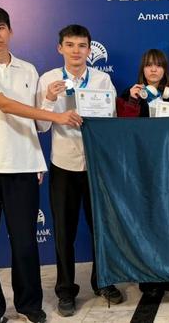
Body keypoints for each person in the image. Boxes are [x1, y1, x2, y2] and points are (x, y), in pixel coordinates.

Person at [0, 5, 82, 323]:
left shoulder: (28, 70)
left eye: (0, 27)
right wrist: (57, 115)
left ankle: (29, 305)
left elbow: (38, 125)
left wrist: (49, 100)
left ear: (10, 30)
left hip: (23, 168)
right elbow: (3, 105)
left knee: (26, 243)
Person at [36, 24, 123, 317]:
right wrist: (49, 99)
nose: (76, 51)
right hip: (64, 164)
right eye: (70, 45)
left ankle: (103, 282)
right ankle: (65, 290)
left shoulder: (101, 79)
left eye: (82, 45)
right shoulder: (48, 79)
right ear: (60, 48)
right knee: (64, 232)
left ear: (89, 49)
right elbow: (41, 126)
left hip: (96, 164)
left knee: (102, 228)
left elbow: (112, 119)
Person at [116, 48, 169, 297]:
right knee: (144, 218)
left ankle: (166, 271)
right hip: (140, 165)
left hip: (167, 165)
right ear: (142, 69)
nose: (154, 69)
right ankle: (147, 274)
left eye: (158, 65)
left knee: (167, 218)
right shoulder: (131, 94)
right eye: (149, 65)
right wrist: (133, 101)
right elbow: (123, 128)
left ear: (165, 70)